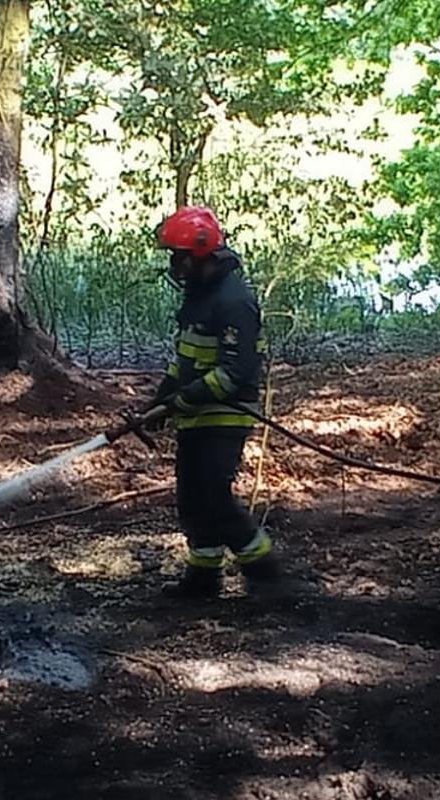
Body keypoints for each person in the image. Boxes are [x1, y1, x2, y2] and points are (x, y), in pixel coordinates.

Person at [138, 206, 275, 598]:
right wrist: (161, 398)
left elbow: (236, 372)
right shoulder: (200, 296)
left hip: (226, 415)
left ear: (200, 255)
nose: (174, 265)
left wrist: (181, 400)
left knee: (214, 496)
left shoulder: (234, 301)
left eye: (178, 257)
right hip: (196, 415)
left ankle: (264, 571)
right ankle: (203, 578)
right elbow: (187, 358)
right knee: (192, 499)